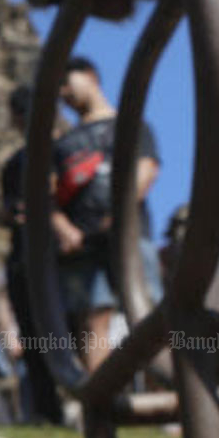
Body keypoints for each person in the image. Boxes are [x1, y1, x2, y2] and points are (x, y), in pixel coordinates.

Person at [51, 56, 161, 372]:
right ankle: (103, 408)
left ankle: (167, 403)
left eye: (67, 82)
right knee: (93, 318)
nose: (63, 93)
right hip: (83, 245)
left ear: (90, 76)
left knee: (148, 312)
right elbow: (50, 198)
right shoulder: (65, 143)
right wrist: (64, 229)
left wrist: (118, 213)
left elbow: (147, 168)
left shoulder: (130, 124)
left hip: (131, 236)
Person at [0, 85, 65, 425]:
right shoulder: (14, 165)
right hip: (26, 258)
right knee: (36, 338)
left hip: (61, 256)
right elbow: (8, 209)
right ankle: (47, 411)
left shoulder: (64, 151)